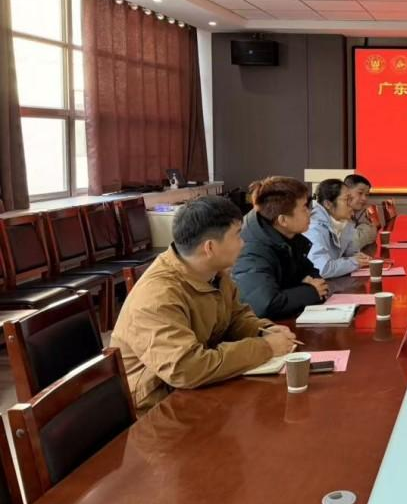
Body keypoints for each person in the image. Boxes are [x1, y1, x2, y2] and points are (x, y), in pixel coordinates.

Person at [111, 196, 297, 414]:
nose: (243, 243)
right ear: (209, 247)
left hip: (201, 390)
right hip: (159, 408)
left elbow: (235, 317)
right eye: (237, 235)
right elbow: (186, 369)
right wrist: (265, 347)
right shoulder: (156, 297)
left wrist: (263, 331)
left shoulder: (213, 273)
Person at [232, 176, 330, 320]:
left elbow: (310, 272)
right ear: (283, 220)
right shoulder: (251, 250)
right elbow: (265, 305)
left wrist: (311, 284)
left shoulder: (288, 236)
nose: (310, 212)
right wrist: (310, 291)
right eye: (304, 208)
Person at [306, 178, 373, 278]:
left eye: (351, 199)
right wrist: (354, 262)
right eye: (346, 200)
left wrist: (359, 257)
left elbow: (350, 253)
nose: (350, 204)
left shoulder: (344, 222)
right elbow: (322, 269)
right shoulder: (315, 228)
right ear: (328, 204)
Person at [345, 173, 378, 250]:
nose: (364, 198)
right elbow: (353, 244)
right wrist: (370, 229)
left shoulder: (353, 214)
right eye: (360, 193)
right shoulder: (337, 215)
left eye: (366, 195)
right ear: (346, 192)